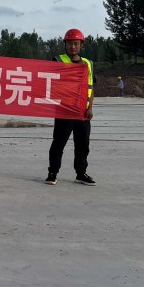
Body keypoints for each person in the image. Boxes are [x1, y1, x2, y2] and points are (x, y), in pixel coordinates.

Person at [46, 28, 96, 186]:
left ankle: (81, 173)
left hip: (82, 112)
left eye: (76, 43)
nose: (72, 47)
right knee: (58, 143)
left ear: (81, 45)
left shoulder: (88, 63)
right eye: (69, 43)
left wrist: (90, 108)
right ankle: (53, 173)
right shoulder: (58, 61)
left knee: (83, 145)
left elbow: (90, 87)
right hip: (64, 110)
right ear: (65, 45)